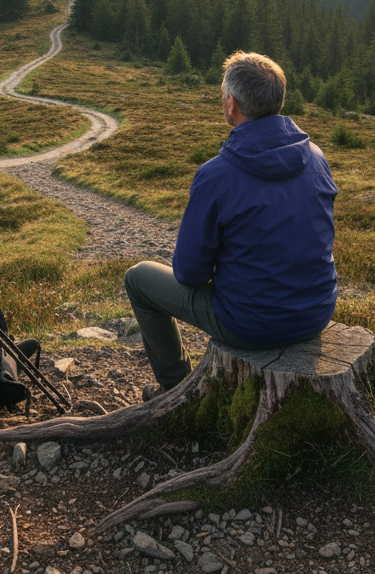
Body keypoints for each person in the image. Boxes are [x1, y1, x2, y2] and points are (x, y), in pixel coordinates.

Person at [125, 50, 338, 401]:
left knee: (138, 279)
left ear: (231, 106)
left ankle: (175, 387)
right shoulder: (315, 156)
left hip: (249, 324)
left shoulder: (217, 175)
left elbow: (190, 273)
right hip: (317, 311)